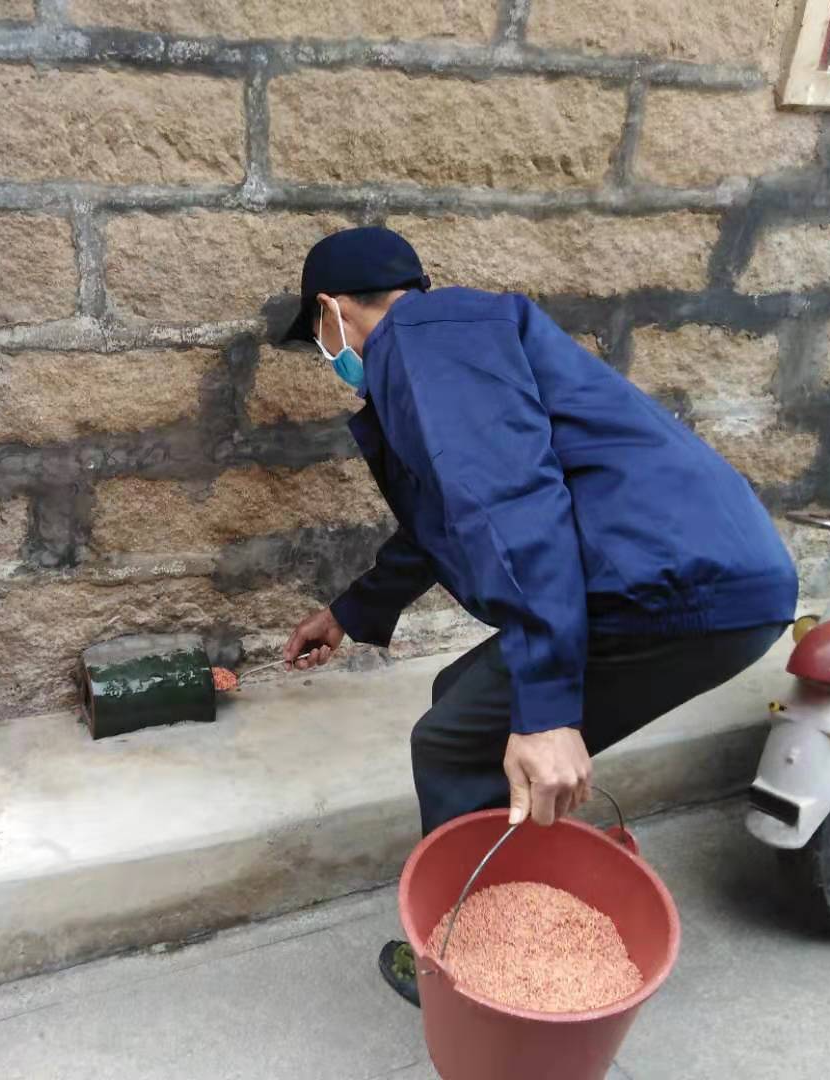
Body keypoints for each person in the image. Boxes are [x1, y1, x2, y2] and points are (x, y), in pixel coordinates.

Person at [279, 226, 796, 1006]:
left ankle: (470, 970)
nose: (329, 354)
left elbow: (509, 499)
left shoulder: (419, 341)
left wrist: (548, 710)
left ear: (331, 310)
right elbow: (443, 519)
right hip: (699, 579)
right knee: (461, 699)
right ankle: (526, 914)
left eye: (319, 335)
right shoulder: (452, 339)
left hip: (673, 591)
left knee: (452, 744)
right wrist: (350, 612)